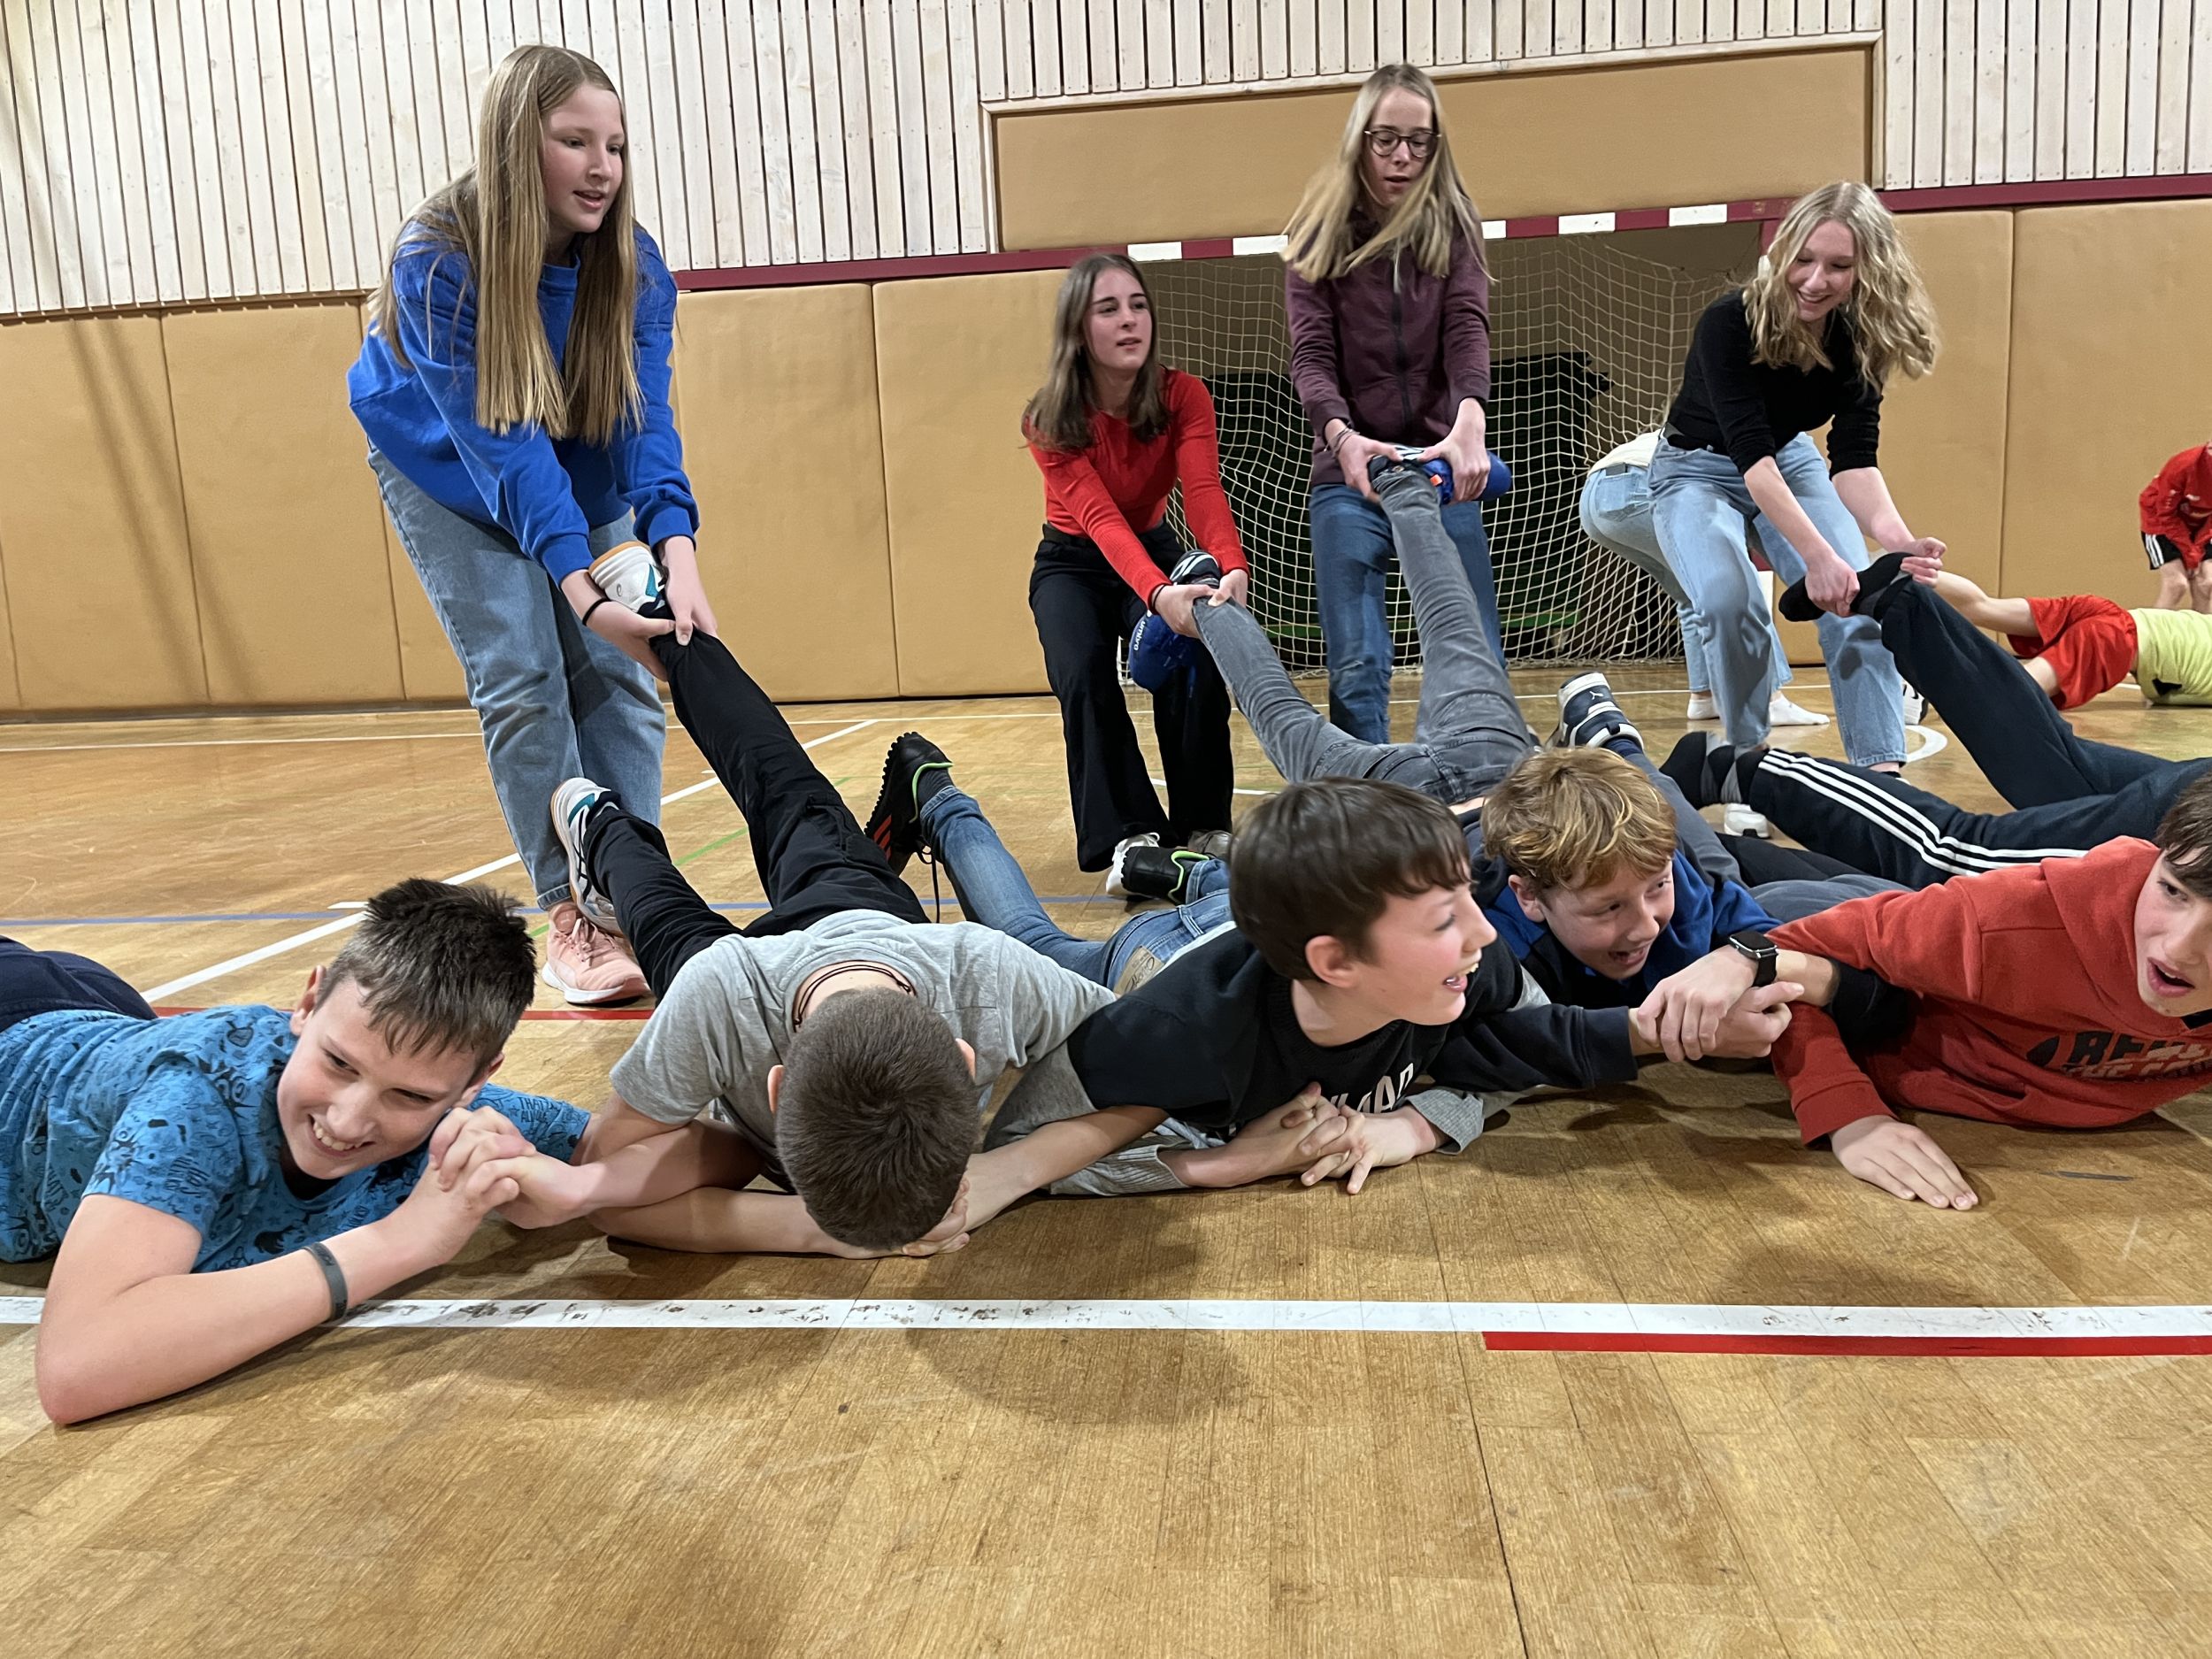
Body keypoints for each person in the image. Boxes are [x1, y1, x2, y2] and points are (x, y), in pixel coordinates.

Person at [516, 613, 1114, 1259]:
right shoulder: (983, 974)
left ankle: (607, 821)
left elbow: (1157, 1060)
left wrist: (1004, 1175)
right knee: (737, 818)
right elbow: (602, 1186)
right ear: (964, 1057)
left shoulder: (989, 971)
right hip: (824, 932)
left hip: (817, 949)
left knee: (679, 895)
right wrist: (815, 1228)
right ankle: (659, 660)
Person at [955, 776, 1800, 1213]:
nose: (1487, 932)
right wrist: (1224, 1165)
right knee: (1038, 944)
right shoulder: (1179, 1034)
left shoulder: (1466, 970)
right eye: (1445, 917)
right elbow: (1017, 1156)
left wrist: (1413, 1126)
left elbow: (1527, 1047)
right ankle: (949, 808)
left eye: (1470, 897)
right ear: (1339, 965)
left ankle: (1187, 871)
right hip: (1159, 958)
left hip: (1283, 934)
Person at [351, 45, 713, 1008]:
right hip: (448, 463)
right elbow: (504, 454)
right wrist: (581, 593)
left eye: (616, 146)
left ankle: (632, 895)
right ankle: (571, 915)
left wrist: (677, 552)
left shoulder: (633, 265)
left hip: (572, 451)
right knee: (523, 673)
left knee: (622, 676)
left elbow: (646, 424)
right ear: (518, 145)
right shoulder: (437, 258)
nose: (602, 168)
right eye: (574, 142)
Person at [4, 880, 591, 1424]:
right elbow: (76, 1366)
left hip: (95, 1011)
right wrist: (402, 1242)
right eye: (338, 1062)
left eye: (410, 1096)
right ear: (307, 1003)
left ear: (473, 1082)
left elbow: (629, 1149)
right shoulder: (195, 1097)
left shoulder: (453, 1109)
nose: (347, 1119)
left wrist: (586, 1189)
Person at [1751, 773, 2212, 1210]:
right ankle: (1731, 771)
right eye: (2172, 891)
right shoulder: (2007, 921)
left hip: (1912, 933)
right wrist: (1847, 1111)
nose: (2178, 949)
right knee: (1736, 895)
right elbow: (1779, 957)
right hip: (1834, 937)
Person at [1663, 557, 2212, 889]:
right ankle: (1737, 775)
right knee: (1960, 853)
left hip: (2120, 617)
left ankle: (1901, 598)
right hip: (2123, 640)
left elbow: (1984, 609)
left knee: (2063, 765)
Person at [1647, 181, 1939, 773]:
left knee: (1859, 603)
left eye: (1838, 266)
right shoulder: (1730, 321)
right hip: (1697, 469)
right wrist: (1818, 558)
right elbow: (1750, 458)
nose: (1814, 280)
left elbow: (1854, 459)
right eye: (1803, 260)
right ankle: (1748, 763)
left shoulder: (1860, 339)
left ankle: (1883, 777)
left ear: (1867, 269)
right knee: (1727, 605)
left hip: (1790, 459)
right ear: (1782, 252)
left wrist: (1897, 540)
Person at [1283, 61, 1502, 742]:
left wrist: (1469, 419)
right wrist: (1342, 439)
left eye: (1418, 140)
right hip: (1349, 474)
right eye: (1386, 139)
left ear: (1436, 145)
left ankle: (1483, 788)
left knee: (1476, 650)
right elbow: (1311, 357)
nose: (1402, 156)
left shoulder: (1454, 225)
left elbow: (1466, 327)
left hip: (1437, 466)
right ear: (1361, 140)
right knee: (1357, 664)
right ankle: (1368, 799)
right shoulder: (1316, 234)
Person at [1023, 252, 1248, 887]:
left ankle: (1202, 824)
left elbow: (1202, 491)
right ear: (1079, 330)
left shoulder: (1183, 395)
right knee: (1082, 672)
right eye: (1108, 309)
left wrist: (1231, 567)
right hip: (1071, 563)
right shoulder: (1047, 418)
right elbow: (1101, 522)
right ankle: (1128, 835)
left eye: (1138, 305)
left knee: (1197, 655)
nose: (1129, 320)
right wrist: (1158, 594)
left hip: (1153, 544)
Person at [867, 734, 1231, 995]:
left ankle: (1184, 871)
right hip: (1191, 958)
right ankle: (940, 803)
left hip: (1217, 926)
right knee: (1031, 943)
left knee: (1033, 940)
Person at [1580, 430, 1827, 730]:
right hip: (1641, 485)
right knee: (1738, 582)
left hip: (1596, 500)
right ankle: (1768, 700)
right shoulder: (1768, 442)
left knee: (1692, 593)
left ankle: (1704, 697)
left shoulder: (1703, 424)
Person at [1924, 569, 2212, 710]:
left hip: (2109, 612)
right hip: (2116, 639)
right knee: (2011, 693)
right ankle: (1914, 696)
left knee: (1984, 606)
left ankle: (1913, 567)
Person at [2140, 439, 2212, 611]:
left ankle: (2200, 629)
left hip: (2202, 520)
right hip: (2160, 519)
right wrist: (2190, 554)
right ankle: (2155, 629)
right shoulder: (2183, 466)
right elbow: (2166, 515)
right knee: (2176, 585)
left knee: (2207, 583)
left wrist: (2197, 551)